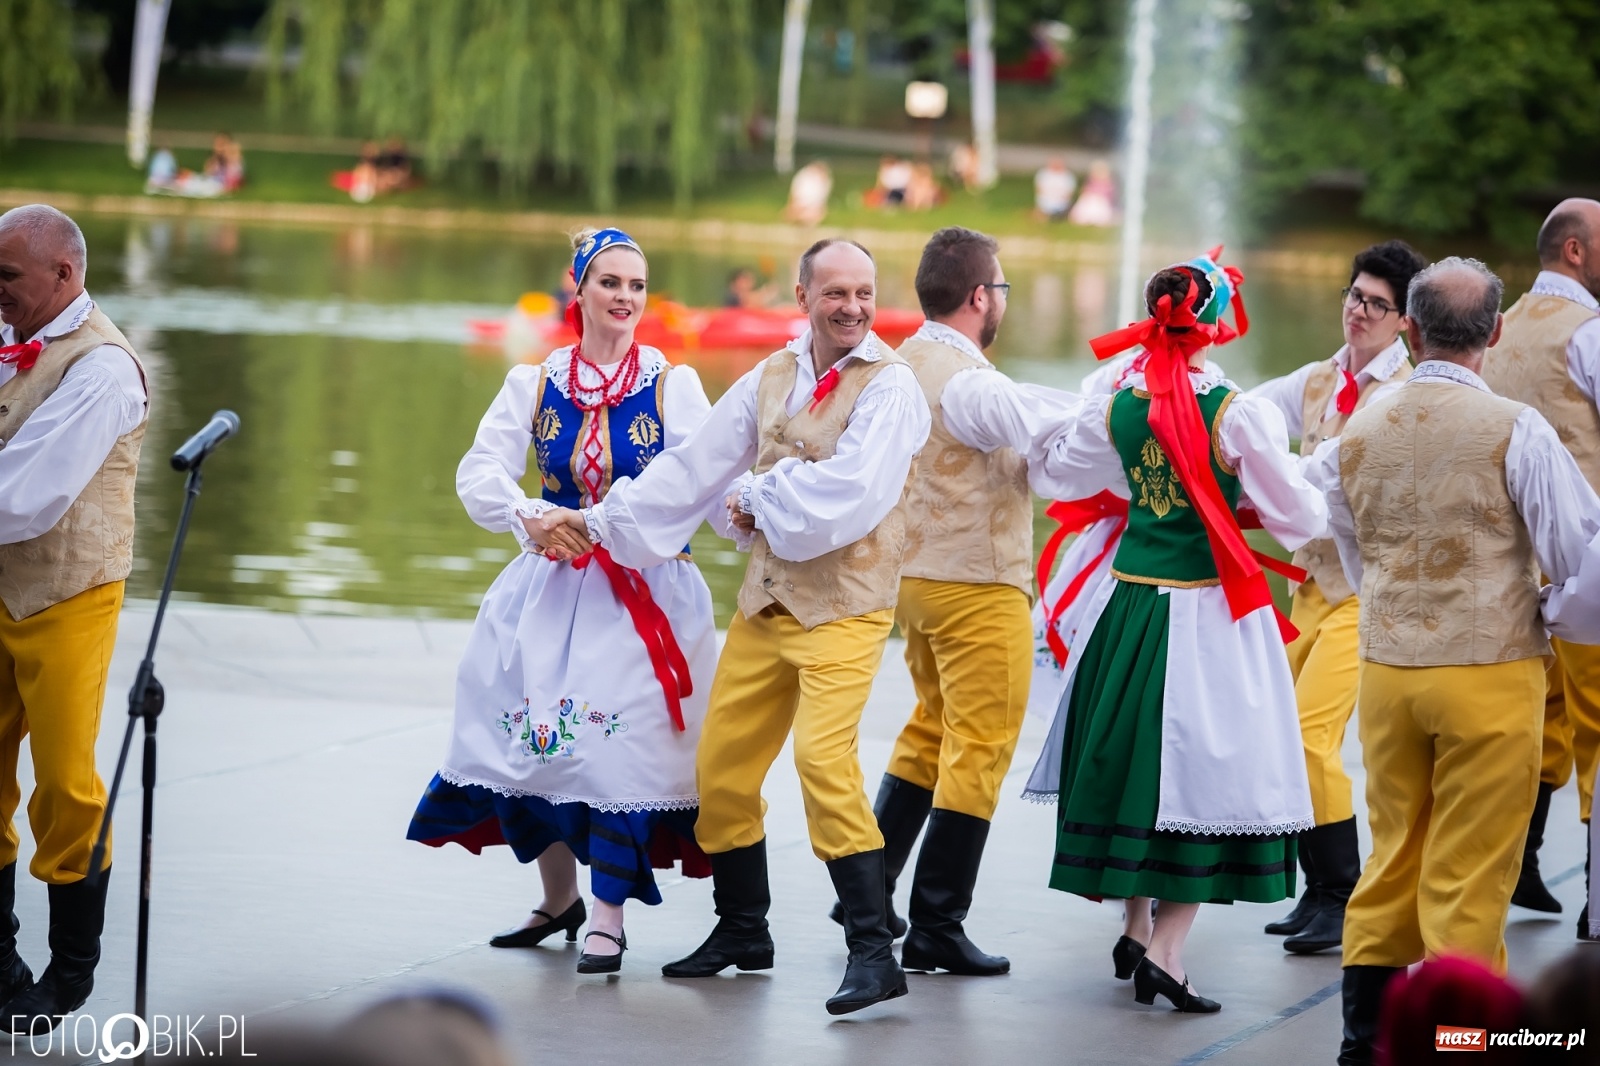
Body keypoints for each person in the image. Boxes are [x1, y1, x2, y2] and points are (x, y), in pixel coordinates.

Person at [542, 238, 932, 1015]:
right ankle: (743, 930)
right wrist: (600, 520)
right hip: (766, 605)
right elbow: (695, 471)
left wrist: (758, 497)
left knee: (824, 766)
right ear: (802, 296)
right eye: (835, 293)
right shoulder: (773, 374)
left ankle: (872, 951)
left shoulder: (894, 389)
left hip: (846, 610)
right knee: (718, 771)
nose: (852, 307)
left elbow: (846, 499)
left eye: (864, 292)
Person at [1301, 258, 1600, 1065]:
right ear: (1495, 335)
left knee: (1393, 854)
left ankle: (1363, 1046)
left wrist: (1400, 606)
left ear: (1411, 326)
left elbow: (1353, 548)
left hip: (1391, 671)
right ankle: (1456, 1050)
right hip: (1489, 671)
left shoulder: (1357, 429)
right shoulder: (1517, 427)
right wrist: (1548, 611)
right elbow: (1581, 556)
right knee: (1470, 875)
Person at [406, 228, 719, 975]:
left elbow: (695, 481)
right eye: (610, 282)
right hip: (549, 586)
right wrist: (528, 515)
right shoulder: (536, 382)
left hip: (643, 593)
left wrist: (611, 523)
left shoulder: (674, 385)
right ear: (576, 288)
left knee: (612, 748)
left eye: (637, 286)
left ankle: (608, 916)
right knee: (533, 737)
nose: (625, 298)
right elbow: (479, 469)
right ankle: (560, 899)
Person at [1025, 250, 1328, 1014]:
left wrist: (1137, 487)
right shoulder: (1237, 409)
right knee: (1202, 772)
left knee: (1135, 761)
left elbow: (1063, 474)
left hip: (1127, 604)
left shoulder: (1118, 401)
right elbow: (1299, 519)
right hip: (1208, 611)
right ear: (1217, 324)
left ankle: (1134, 923)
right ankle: (1167, 950)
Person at [823, 227, 1060, 976]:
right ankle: (937, 921)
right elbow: (1052, 436)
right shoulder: (972, 378)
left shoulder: (895, 364)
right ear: (981, 297)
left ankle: (874, 883)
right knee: (982, 746)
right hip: (978, 585)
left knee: (931, 726)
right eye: (1003, 291)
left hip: (912, 582)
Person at [1246, 239, 1428, 955]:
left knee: (1309, 738)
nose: (1358, 312)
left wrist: (1275, 473)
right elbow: (1249, 414)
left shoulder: (1406, 394)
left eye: (1377, 305)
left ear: (1406, 322)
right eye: (1354, 296)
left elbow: (1335, 474)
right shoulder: (1320, 378)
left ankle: (1340, 895)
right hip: (1310, 591)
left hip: (1368, 593)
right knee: (1276, 740)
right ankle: (1316, 889)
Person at [0, 204, 150, 1031]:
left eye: (7, 278)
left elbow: (26, 497)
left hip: (67, 590)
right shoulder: (6, 332)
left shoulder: (104, 369)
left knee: (63, 782)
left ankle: (70, 969)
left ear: (65, 275)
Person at [1480, 199, 1600, 938]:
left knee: (1535, 716)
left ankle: (1516, 864)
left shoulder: (1498, 328)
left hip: (1512, 566)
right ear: (1578, 252)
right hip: (1587, 564)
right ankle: (1597, 890)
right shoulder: (1591, 334)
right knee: (1595, 725)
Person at [1067, 159, 1117, 227]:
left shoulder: (1108, 183)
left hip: (1101, 202)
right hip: (1090, 200)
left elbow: (1110, 195)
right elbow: (1085, 190)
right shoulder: (1090, 181)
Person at [785, 161, 833, 226]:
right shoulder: (804, 176)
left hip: (812, 205)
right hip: (802, 204)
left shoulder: (824, 180)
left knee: (815, 214)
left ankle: (803, 220)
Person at [1034, 157, 1078, 221]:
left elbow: (1070, 192)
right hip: (1047, 199)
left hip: (1061, 200)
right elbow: (1039, 189)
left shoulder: (1068, 176)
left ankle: (1057, 214)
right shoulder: (1043, 174)